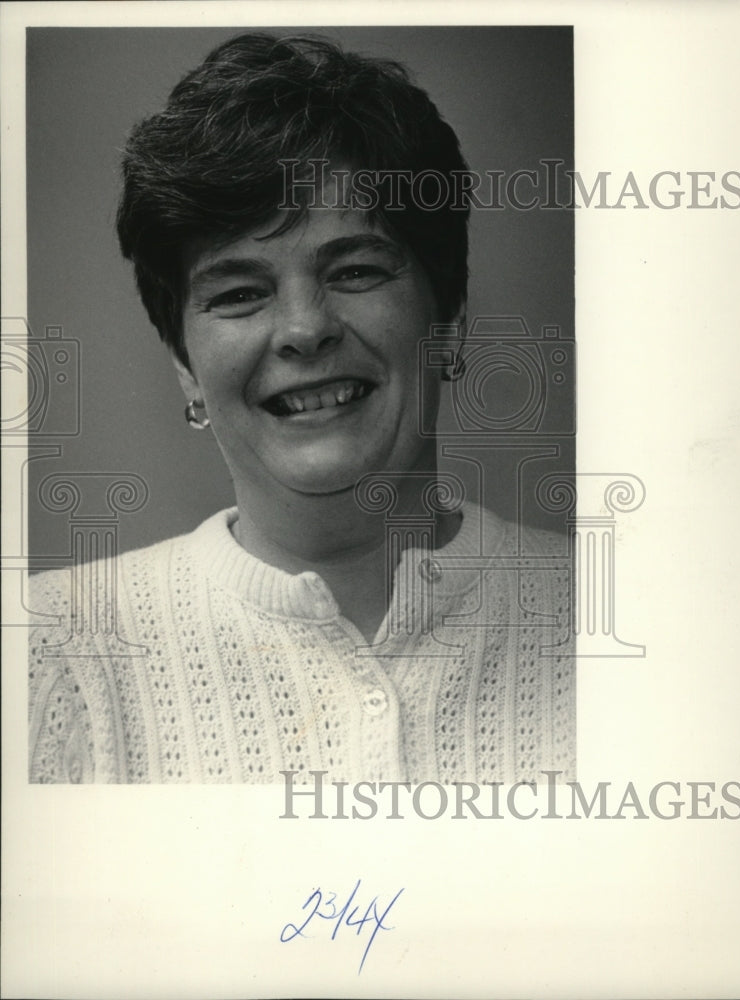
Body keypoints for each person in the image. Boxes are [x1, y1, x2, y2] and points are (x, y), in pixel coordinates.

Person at [28, 32, 575, 784]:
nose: (303, 329)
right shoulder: (45, 656)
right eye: (239, 293)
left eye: (353, 269)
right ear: (186, 365)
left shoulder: (633, 623)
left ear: (446, 319)